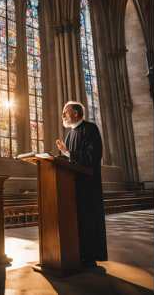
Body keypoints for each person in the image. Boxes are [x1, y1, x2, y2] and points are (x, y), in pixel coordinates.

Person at [55, 101, 108, 267]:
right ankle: (77, 252)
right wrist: (63, 155)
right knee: (76, 220)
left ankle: (90, 255)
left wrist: (68, 152)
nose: (63, 114)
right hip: (72, 185)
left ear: (76, 113)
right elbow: (69, 159)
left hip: (87, 186)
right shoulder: (70, 134)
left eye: (66, 111)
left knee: (87, 220)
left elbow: (93, 157)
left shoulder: (90, 129)